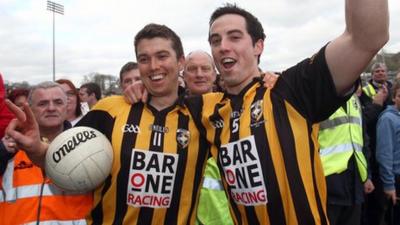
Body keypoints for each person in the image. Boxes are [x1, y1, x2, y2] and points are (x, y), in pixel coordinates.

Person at [125, 2, 389, 224]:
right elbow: (165, 100)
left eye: (235, 37)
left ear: (258, 46)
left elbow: (366, 38)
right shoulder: (205, 109)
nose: (223, 46)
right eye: (215, 41)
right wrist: (143, 88)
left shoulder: (289, 90)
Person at [5, 24, 212, 225]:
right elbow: (62, 160)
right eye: (144, 59)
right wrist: (37, 149)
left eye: (162, 56)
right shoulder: (108, 109)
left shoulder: (203, 114)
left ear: (181, 62)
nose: (153, 66)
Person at [0, 81, 92, 224]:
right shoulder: (11, 147)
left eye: (58, 102)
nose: (51, 108)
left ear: (66, 107)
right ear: (30, 109)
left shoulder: (88, 148)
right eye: (42, 103)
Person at [182, 50, 233, 225]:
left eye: (205, 68)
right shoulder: (170, 111)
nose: (199, 74)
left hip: (227, 218)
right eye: (192, 69)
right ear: (183, 74)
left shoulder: (233, 106)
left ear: (214, 73)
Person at [318, 94, 372, 225]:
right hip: (326, 182)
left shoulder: (354, 100)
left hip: (355, 183)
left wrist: (367, 176)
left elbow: (363, 141)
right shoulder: (316, 97)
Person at [376, 81, 400, 225]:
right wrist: (389, 185)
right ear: (394, 98)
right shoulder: (387, 119)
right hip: (397, 178)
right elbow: (384, 155)